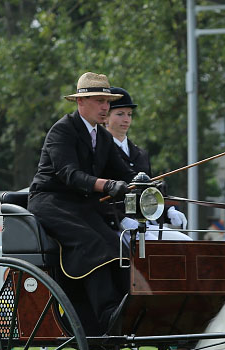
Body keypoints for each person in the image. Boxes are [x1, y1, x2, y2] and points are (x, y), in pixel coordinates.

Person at [28, 71, 136, 334]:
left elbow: (124, 173)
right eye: (100, 101)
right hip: (50, 202)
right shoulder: (62, 131)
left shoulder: (104, 139)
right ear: (80, 102)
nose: (105, 107)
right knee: (93, 243)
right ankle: (108, 313)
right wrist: (107, 185)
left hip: (82, 206)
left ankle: (129, 306)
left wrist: (146, 184)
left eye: (107, 101)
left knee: (117, 243)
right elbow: (70, 175)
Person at [105, 87, 189, 240]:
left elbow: (149, 195)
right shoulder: (101, 152)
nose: (126, 120)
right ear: (105, 117)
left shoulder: (141, 154)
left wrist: (168, 211)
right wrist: (122, 219)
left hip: (147, 224)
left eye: (129, 114)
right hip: (116, 228)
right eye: (120, 114)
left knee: (186, 242)